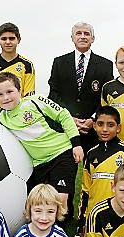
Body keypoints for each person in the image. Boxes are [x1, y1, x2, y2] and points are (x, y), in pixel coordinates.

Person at [0, 72, 84, 223]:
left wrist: (76, 144)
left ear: (20, 91)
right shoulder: (0, 115)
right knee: (42, 201)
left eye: (10, 92)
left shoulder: (35, 102)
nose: (6, 97)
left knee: (60, 198)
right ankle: (47, 229)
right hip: (39, 164)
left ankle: (58, 234)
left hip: (61, 153)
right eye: (0, 94)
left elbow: (63, 115)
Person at [48, 22, 114, 154]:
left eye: (87, 34)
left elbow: (106, 97)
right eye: (78, 33)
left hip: (93, 129)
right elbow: (54, 95)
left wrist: (94, 119)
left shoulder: (105, 65)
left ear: (93, 39)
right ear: (72, 38)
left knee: (93, 170)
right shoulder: (59, 63)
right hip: (64, 128)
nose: (83, 37)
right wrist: (69, 118)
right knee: (65, 171)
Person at [76, 106, 124, 237]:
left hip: (119, 213)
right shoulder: (91, 154)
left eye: (110, 125)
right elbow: (85, 190)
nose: (105, 129)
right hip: (94, 214)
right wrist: (82, 220)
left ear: (118, 128)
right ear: (95, 126)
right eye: (100, 124)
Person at [13, 184, 86, 237]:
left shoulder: (59, 235)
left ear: (57, 212)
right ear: (29, 210)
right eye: (38, 211)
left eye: (50, 212)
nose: (44, 218)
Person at [0, 22, 35, 108]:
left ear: (18, 40)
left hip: (17, 114)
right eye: (4, 39)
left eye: (12, 38)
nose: (8, 42)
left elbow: (29, 95)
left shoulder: (27, 65)